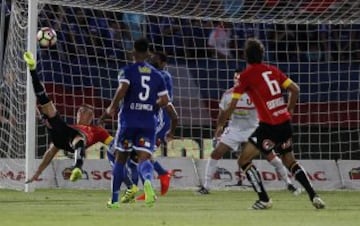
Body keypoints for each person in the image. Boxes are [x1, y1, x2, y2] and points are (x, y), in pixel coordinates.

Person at [223, 38, 325, 210]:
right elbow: (295, 89)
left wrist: (222, 121)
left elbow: (232, 104)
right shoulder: (272, 70)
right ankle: (314, 196)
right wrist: (289, 109)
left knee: (243, 160)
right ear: (262, 55)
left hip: (269, 127)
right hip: (285, 123)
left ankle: (264, 199)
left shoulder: (245, 76)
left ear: (245, 57)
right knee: (290, 161)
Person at [197, 69, 301, 196]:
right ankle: (206, 187)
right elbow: (222, 114)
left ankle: (289, 183)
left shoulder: (256, 93)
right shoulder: (228, 95)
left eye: (239, 78)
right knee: (216, 153)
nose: (237, 81)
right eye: (235, 78)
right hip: (235, 129)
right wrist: (219, 127)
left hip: (254, 129)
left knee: (271, 157)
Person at [23, 51, 113, 183]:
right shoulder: (71, 126)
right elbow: (50, 153)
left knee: (78, 139)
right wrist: (37, 173)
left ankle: (77, 167)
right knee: (45, 102)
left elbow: (113, 143)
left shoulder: (97, 130)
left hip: (77, 139)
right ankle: (32, 70)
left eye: (85, 110)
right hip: (63, 132)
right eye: (80, 110)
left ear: (91, 116)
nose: (81, 111)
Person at [102, 38, 170, 208]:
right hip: (148, 123)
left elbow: (122, 89)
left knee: (121, 158)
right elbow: (165, 100)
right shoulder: (157, 75)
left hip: (129, 121)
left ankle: (115, 200)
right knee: (144, 158)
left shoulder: (127, 71)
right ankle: (147, 181)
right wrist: (151, 107)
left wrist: (112, 106)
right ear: (148, 54)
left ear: (133, 53)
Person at [135, 51, 178, 201]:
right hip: (151, 117)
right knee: (141, 153)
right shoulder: (153, 74)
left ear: (163, 63)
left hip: (160, 118)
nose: (152, 60)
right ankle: (162, 174)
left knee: (141, 153)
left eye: (155, 58)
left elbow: (161, 100)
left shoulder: (163, 75)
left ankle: (154, 184)